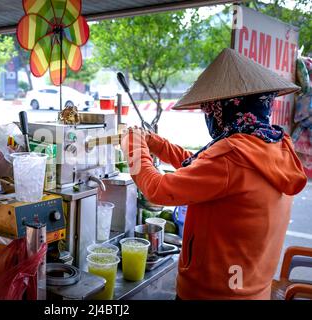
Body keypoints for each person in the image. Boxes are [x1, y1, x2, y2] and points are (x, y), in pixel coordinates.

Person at [120, 48, 308, 300]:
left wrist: (132, 147)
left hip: (211, 294)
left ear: (225, 109)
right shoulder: (273, 144)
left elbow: (157, 190)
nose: (208, 118)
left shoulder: (231, 156)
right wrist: (155, 144)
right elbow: (201, 166)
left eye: (210, 111)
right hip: (255, 291)